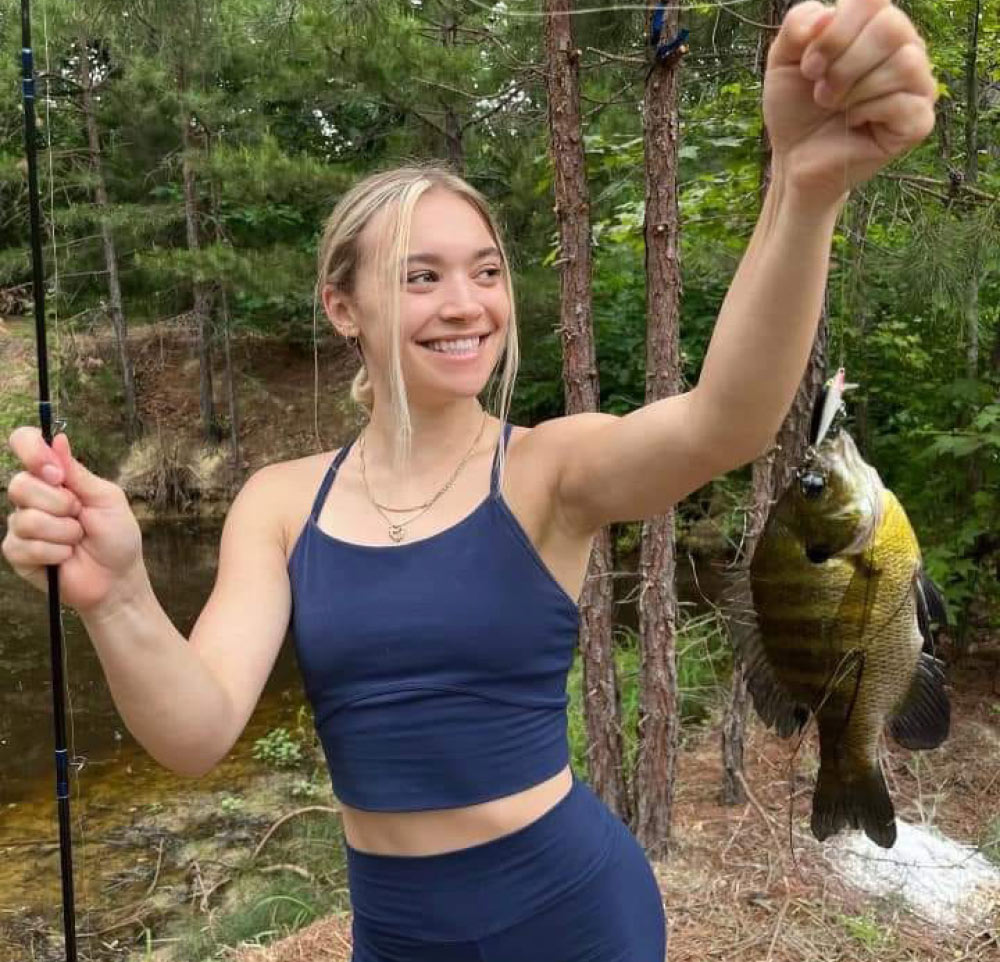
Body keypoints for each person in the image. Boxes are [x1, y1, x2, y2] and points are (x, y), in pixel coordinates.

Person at [3, 2, 936, 958]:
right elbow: (196, 733)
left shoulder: (548, 472)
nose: (466, 305)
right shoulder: (280, 503)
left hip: (577, 916)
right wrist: (117, 595)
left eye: (486, 272)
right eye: (420, 277)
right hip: (398, 936)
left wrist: (805, 187)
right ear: (342, 306)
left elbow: (725, 417)